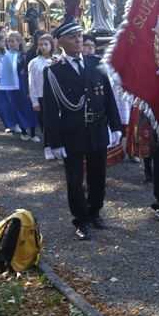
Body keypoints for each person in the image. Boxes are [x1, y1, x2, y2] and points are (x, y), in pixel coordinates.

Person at [42, 18, 122, 240]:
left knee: (98, 175)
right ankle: (81, 220)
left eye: (79, 36)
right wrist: (53, 142)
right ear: (60, 43)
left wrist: (115, 126)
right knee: (75, 180)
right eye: (72, 37)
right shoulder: (54, 72)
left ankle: (95, 212)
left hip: (97, 127)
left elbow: (108, 98)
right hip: (72, 131)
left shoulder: (96, 63)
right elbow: (50, 109)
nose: (78, 40)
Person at [28, 34, 57, 160]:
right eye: (41, 45)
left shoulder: (58, 59)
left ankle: (58, 146)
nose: (44, 47)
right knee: (45, 123)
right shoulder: (34, 63)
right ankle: (47, 146)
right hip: (42, 96)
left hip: (56, 96)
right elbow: (31, 82)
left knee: (57, 122)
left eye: (46, 44)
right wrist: (35, 101)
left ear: (51, 45)